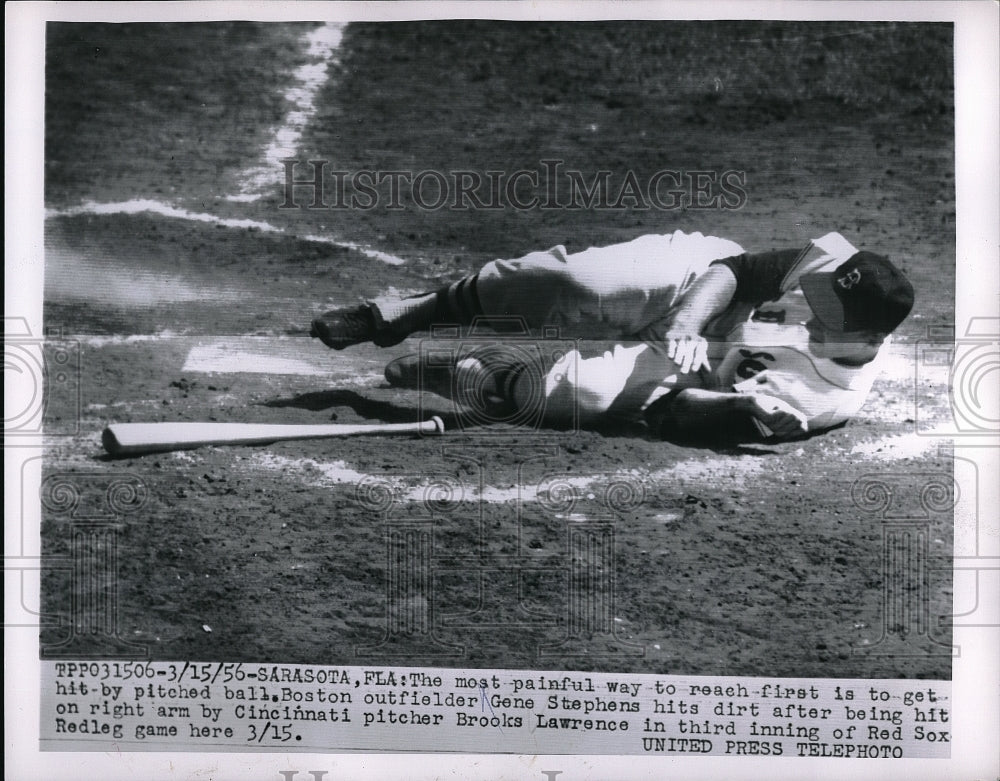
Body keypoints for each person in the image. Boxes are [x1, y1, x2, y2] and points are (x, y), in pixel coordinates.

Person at [309, 230, 914, 442]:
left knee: (569, 395)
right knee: (578, 283)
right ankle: (409, 312)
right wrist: (685, 321)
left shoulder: (821, 401)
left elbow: (674, 414)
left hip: (693, 371)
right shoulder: (837, 259)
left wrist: (736, 411)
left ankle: (469, 372)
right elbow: (735, 270)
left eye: (829, 314)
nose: (812, 312)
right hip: (705, 285)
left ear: (864, 336)